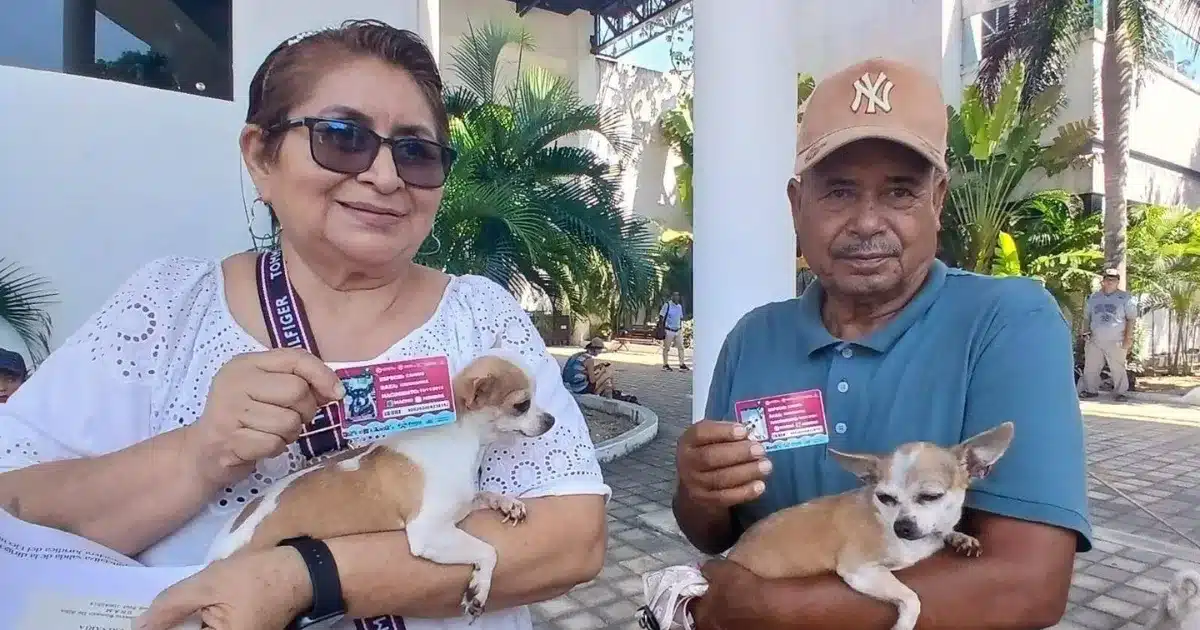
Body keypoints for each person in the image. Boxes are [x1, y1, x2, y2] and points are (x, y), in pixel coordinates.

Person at [0, 21, 607, 630]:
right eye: (342, 138)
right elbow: (15, 505)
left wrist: (302, 577)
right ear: (261, 156)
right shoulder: (168, 306)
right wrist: (198, 454)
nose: (385, 176)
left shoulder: (484, 320)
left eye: (416, 152)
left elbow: (570, 542)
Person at [671, 57, 1090, 630]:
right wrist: (698, 491)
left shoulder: (1006, 323)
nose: (867, 222)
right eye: (839, 191)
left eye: (899, 192)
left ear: (938, 200)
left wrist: (770, 609)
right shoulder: (753, 338)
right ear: (797, 205)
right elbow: (713, 530)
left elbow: (1028, 586)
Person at [1080, 268, 1136, 401]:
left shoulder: (1126, 298)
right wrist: (1084, 331)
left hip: (1116, 339)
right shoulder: (1093, 297)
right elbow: (1087, 317)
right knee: (1091, 366)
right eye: (1107, 279)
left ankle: (1120, 392)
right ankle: (1090, 390)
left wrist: (1128, 338)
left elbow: (1131, 319)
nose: (1110, 282)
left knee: (1118, 367)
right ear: (1103, 281)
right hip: (1095, 339)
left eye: (1113, 279)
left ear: (1118, 282)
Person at [659, 292, 688, 371]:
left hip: (678, 330)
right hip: (669, 330)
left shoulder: (679, 307)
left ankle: (682, 364)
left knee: (681, 347)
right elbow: (661, 316)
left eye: (678, 295)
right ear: (671, 296)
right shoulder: (667, 305)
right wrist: (662, 329)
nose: (676, 297)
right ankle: (665, 365)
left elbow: (681, 317)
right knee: (666, 348)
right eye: (675, 295)